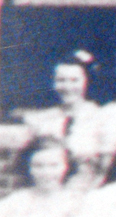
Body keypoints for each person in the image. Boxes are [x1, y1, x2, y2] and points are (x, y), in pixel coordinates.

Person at [20, 53, 103, 189]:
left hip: (87, 190)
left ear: (86, 81)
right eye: (61, 80)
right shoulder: (41, 120)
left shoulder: (100, 118)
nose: (67, 87)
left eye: (74, 80)